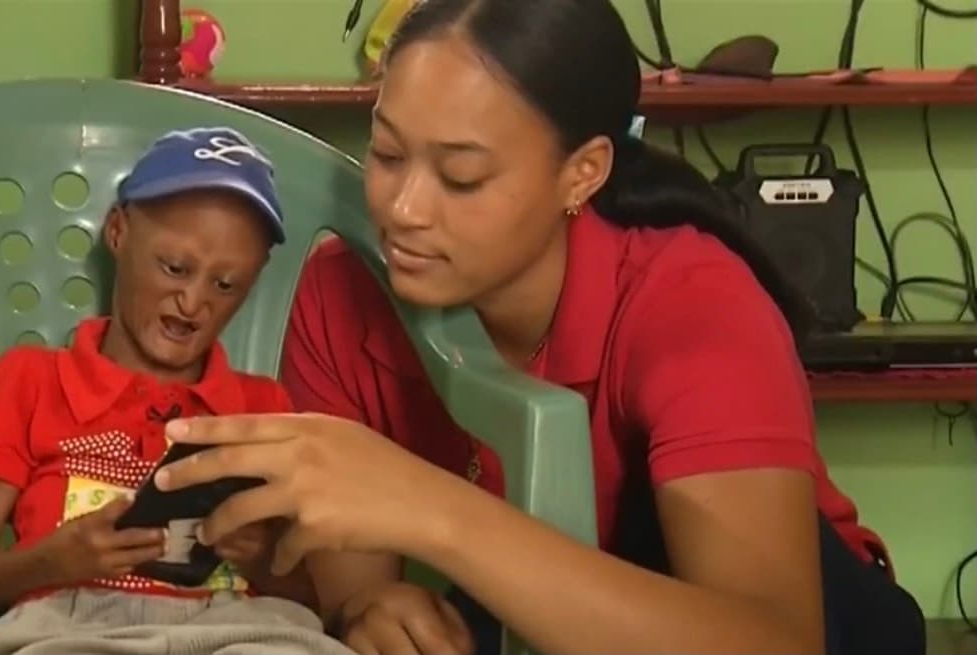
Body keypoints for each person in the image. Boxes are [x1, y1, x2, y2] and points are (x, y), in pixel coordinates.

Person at [150, 1, 927, 654]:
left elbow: (773, 641)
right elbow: (362, 587)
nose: (403, 208)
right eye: (386, 153)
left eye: (462, 176)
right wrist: (371, 613)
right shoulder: (343, 292)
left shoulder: (690, 300)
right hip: (532, 608)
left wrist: (432, 506)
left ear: (581, 173)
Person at [0, 127, 357, 655]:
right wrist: (54, 561)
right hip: (71, 628)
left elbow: (315, 601)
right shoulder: (31, 380)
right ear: (117, 231)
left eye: (225, 285)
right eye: (174, 268)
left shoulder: (262, 407)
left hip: (232, 629)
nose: (193, 301)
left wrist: (256, 560)